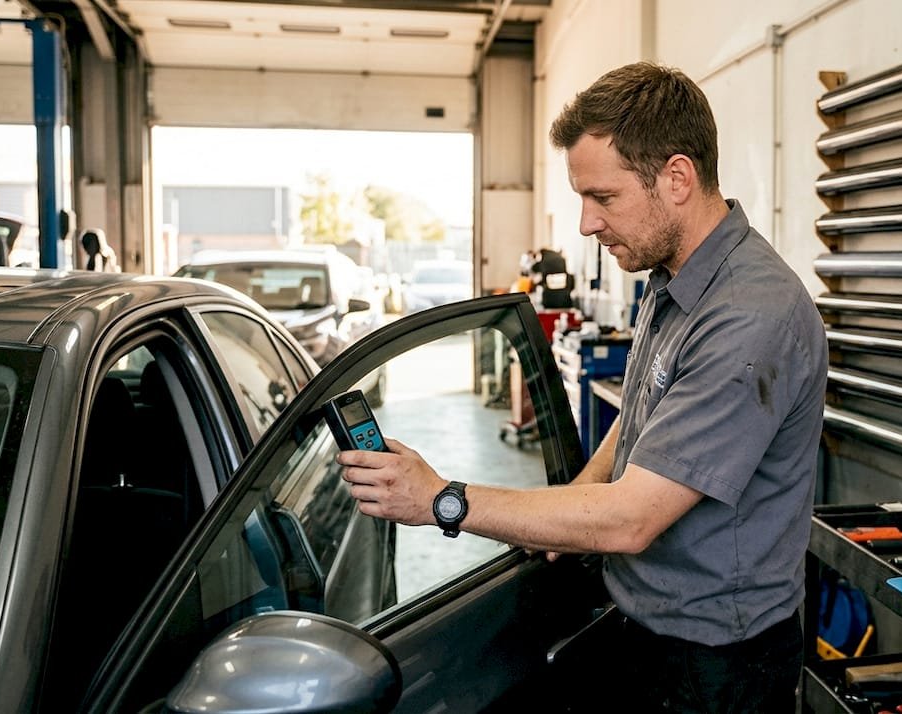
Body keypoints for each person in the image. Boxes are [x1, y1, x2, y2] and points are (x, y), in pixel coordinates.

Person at [338, 61, 828, 713]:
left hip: (715, 668)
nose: (586, 224)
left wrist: (442, 501)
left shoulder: (749, 316)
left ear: (677, 178)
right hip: (639, 622)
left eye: (603, 197)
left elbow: (631, 521)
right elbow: (641, 419)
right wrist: (573, 503)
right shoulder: (673, 277)